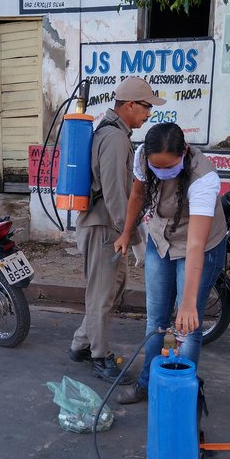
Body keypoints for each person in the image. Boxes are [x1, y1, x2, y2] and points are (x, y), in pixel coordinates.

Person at [111, 122, 227, 404]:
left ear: (184, 152)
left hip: (199, 245)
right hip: (161, 238)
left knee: (187, 326)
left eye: (169, 167)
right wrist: (127, 232)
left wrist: (187, 303)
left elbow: (196, 245)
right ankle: (147, 384)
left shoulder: (203, 178)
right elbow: (138, 195)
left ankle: (179, 393)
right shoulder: (143, 156)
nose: (161, 172)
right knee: (155, 319)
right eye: (156, 167)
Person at [68, 76, 165, 384]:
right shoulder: (115, 138)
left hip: (109, 227)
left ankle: (82, 343)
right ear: (131, 105)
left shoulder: (117, 133)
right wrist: (132, 236)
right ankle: (100, 357)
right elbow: (114, 192)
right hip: (104, 229)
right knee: (101, 295)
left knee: (110, 290)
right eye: (147, 107)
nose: (149, 114)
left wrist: (132, 235)